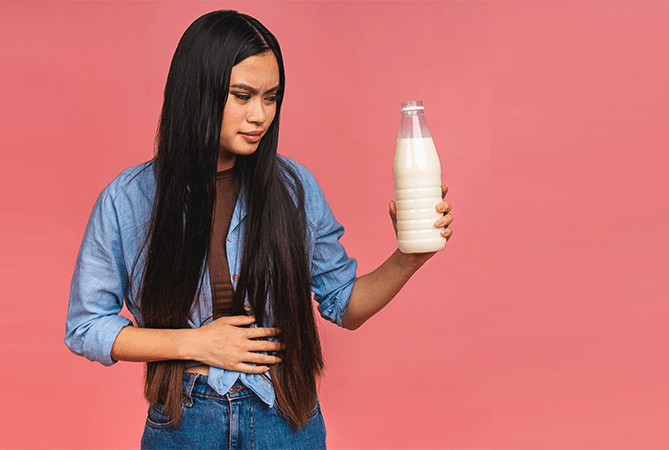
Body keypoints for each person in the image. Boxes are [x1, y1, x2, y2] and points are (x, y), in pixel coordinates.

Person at [62, 9, 456, 449]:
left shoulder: (294, 188)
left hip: (286, 420)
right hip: (186, 424)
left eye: (271, 98)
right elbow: (85, 326)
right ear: (198, 92)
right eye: (243, 95)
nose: (260, 116)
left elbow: (345, 305)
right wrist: (195, 344)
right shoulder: (128, 199)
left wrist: (409, 257)